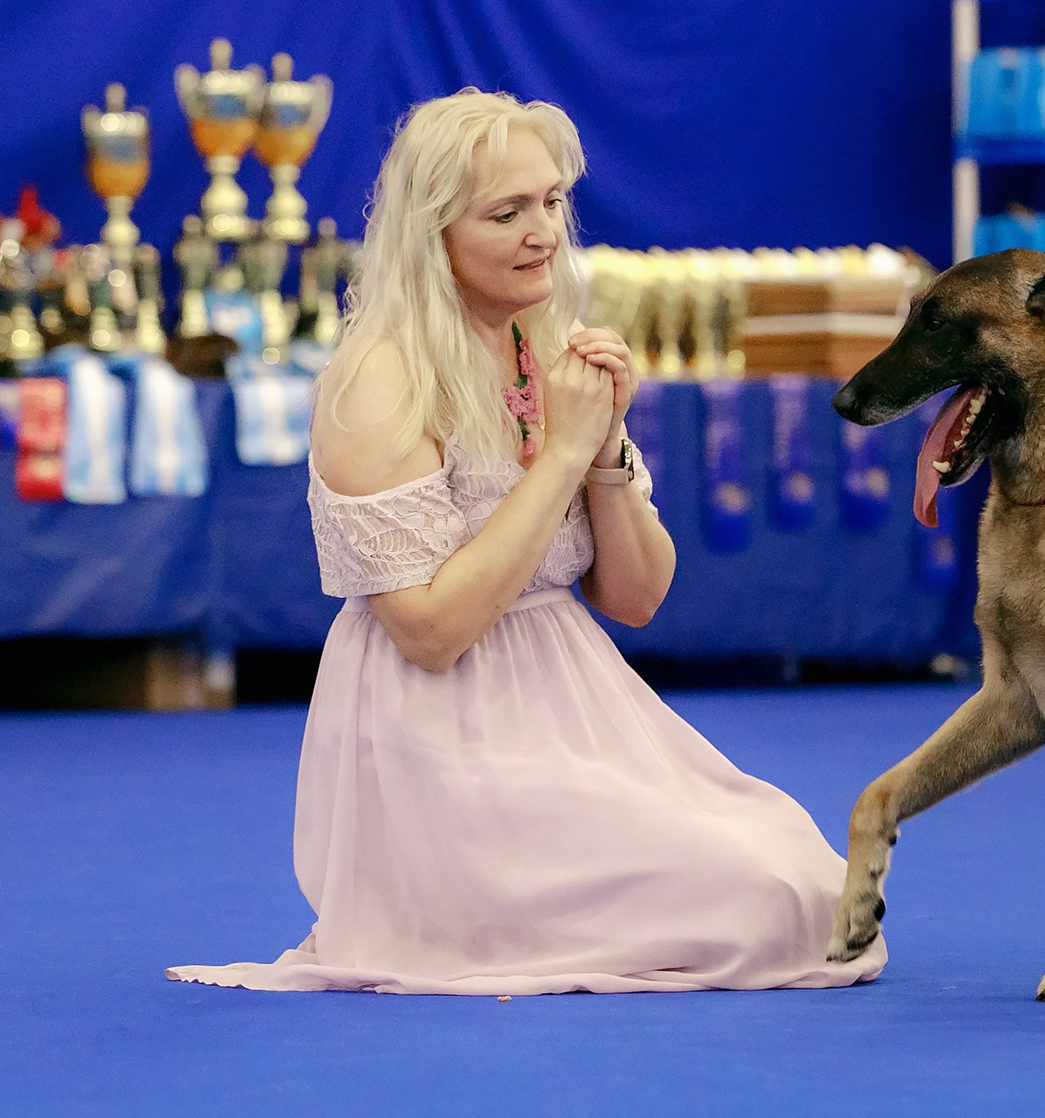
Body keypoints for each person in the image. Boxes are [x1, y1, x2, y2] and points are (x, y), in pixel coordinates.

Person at [168, 89, 884, 995]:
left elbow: (638, 598)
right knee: (761, 902)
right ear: (432, 234)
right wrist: (564, 456)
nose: (543, 232)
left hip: (579, 716)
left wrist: (606, 449)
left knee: (814, 890)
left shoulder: (546, 346)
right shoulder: (379, 381)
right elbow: (430, 633)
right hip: (441, 747)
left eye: (550, 202)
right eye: (506, 213)